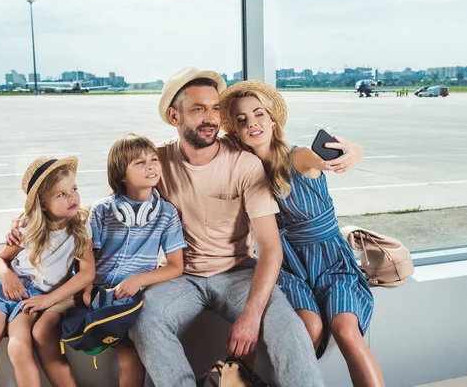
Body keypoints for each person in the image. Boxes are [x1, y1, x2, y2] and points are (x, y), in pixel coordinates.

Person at [128, 67, 325, 386]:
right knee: (145, 321)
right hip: (181, 276)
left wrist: (250, 317)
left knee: (289, 328)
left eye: (215, 107)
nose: (210, 117)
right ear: (175, 117)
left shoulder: (245, 164)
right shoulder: (156, 161)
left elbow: (271, 248)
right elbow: (118, 206)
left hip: (238, 272)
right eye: (197, 109)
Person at [219, 80, 385, 387]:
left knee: (347, 332)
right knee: (307, 329)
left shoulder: (298, 158)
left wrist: (354, 151)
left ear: (272, 119)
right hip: (289, 267)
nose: (252, 123)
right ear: (236, 133)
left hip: (331, 260)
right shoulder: (246, 170)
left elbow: (331, 155)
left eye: (258, 114)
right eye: (242, 120)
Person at [0, 156, 95, 387]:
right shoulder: (27, 227)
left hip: (33, 297)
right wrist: (6, 276)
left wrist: (48, 300)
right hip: (3, 289)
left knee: (18, 347)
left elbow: (87, 273)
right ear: (43, 204)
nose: (72, 197)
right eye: (61, 194)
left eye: (73, 189)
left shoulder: (81, 228)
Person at [88, 133, 186, 387]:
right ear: (121, 174)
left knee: (131, 357)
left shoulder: (166, 213)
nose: (151, 166)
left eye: (154, 159)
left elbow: (176, 266)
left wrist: (138, 280)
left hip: (133, 296)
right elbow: (85, 261)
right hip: (96, 293)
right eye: (139, 163)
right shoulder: (102, 210)